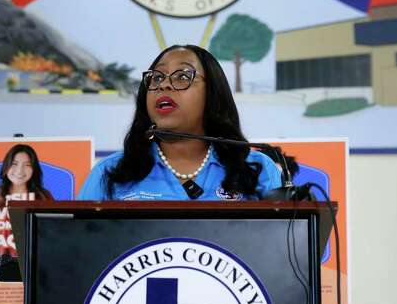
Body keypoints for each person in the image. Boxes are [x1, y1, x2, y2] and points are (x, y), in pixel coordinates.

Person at [78, 45, 282, 200]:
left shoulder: (256, 170)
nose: (164, 84)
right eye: (156, 77)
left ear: (212, 93)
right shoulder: (110, 173)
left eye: (183, 76)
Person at [0, 144, 51, 280]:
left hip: (37, 274)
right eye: (14, 164)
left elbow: (53, 236)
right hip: (2, 275)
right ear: (6, 166)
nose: (20, 170)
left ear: (34, 169)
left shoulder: (44, 198)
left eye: (27, 164)